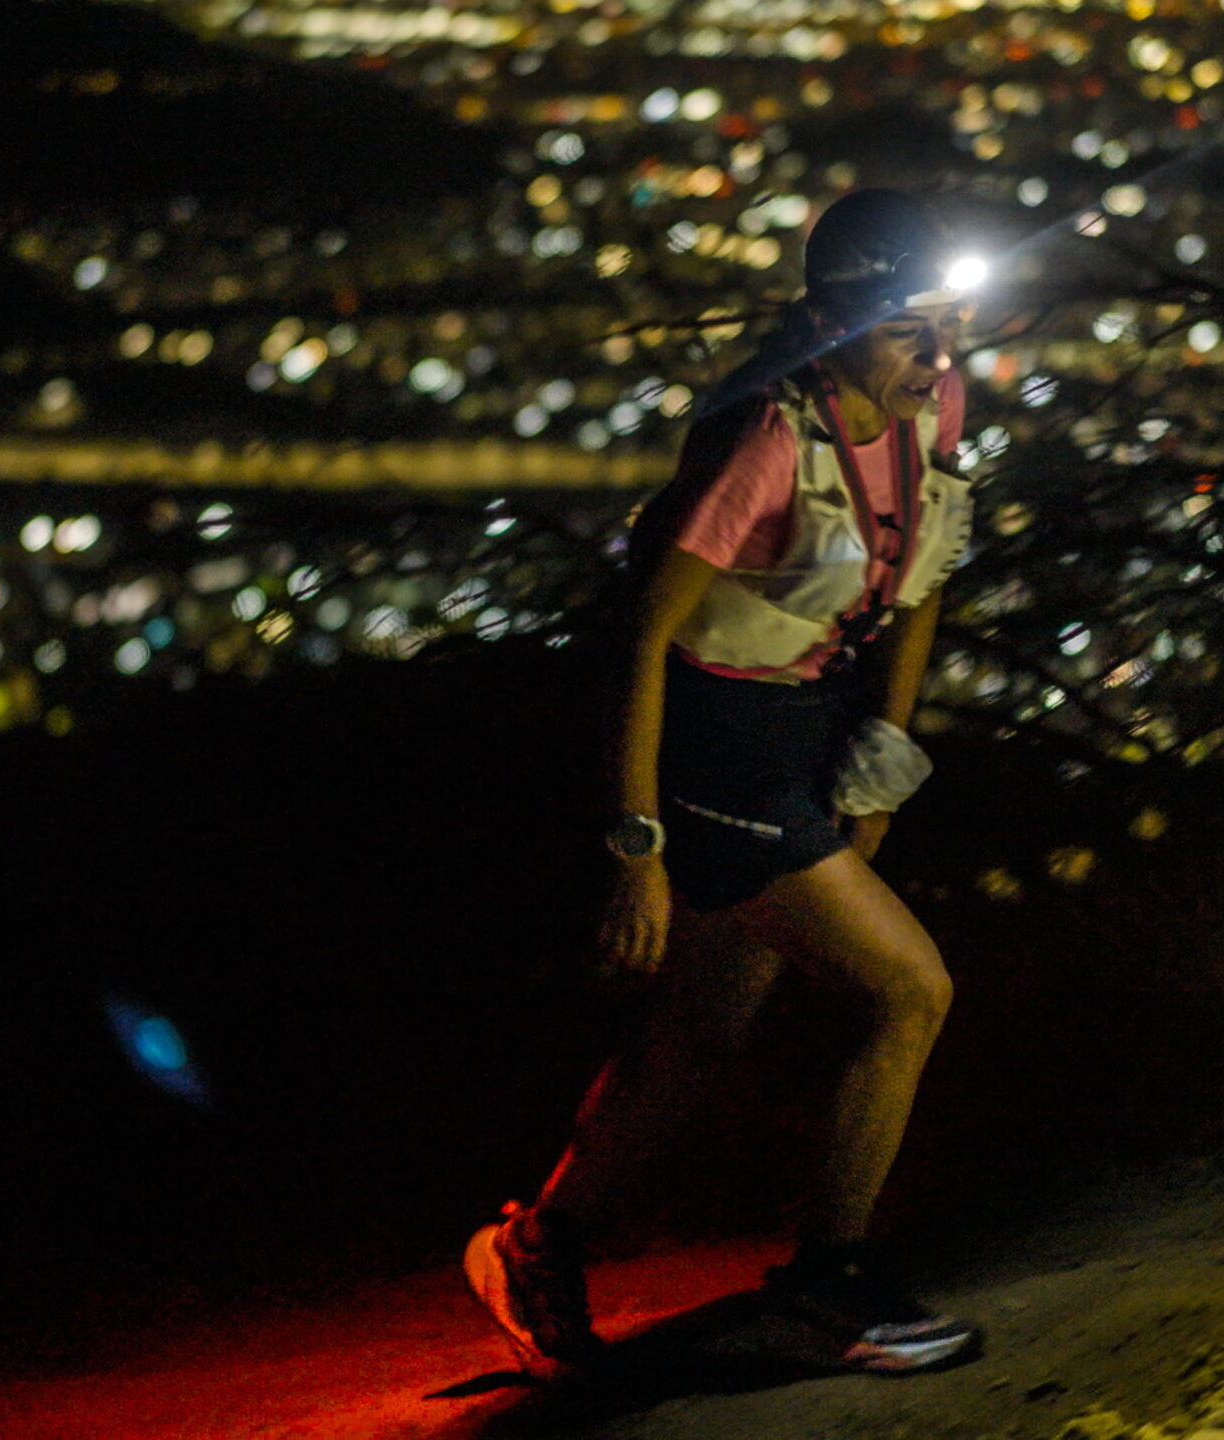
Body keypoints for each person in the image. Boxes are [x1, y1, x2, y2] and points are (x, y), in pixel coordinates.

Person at [465, 190, 983, 1378]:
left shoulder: (933, 400)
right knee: (908, 990)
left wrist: (885, 759)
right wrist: (636, 847)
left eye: (947, 327)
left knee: (702, 1033)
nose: (936, 357)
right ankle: (826, 1289)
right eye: (910, 329)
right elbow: (644, 635)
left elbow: (930, 565)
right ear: (833, 322)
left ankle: (536, 1242)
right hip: (713, 741)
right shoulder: (764, 437)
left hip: (804, 722)